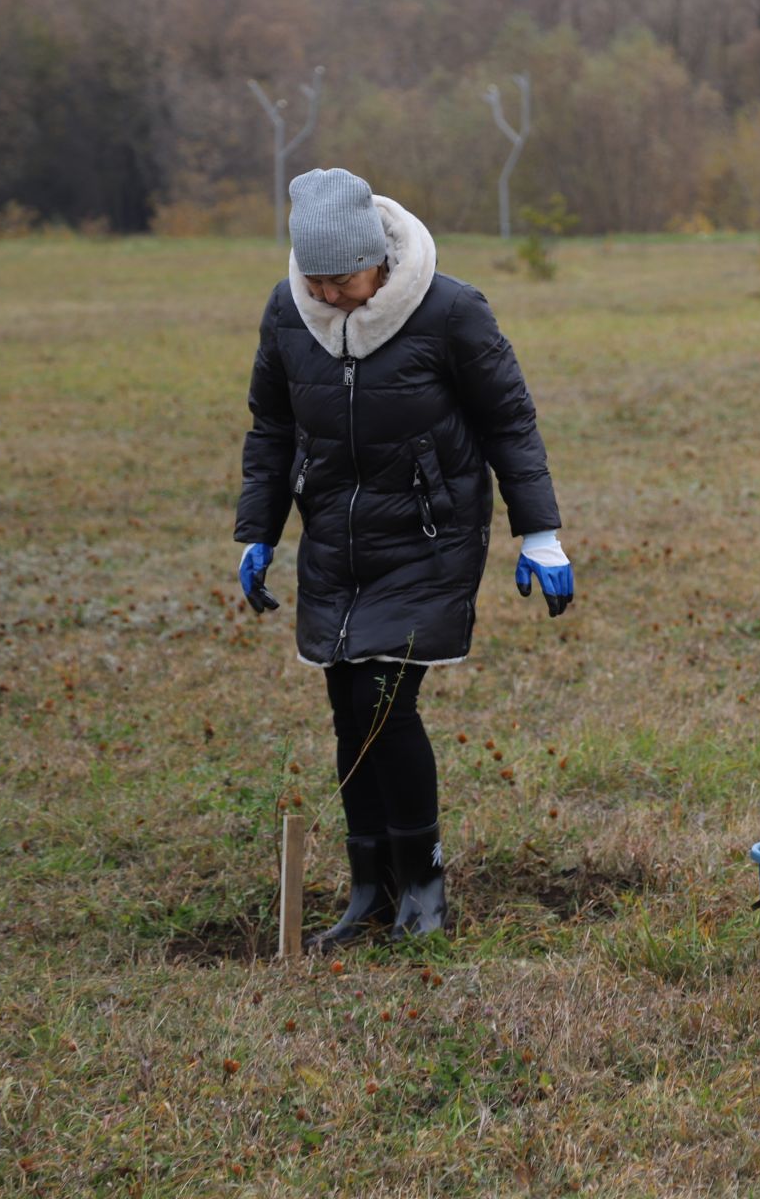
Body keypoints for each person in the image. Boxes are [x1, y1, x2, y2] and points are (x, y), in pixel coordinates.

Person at [234, 169, 574, 948]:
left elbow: (510, 425)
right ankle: (369, 890)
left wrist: (540, 532)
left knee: (386, 704)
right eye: (314, 279)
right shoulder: (289, 312)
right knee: (348, 713)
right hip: (336, 545)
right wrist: (259, 530)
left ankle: (422, 887)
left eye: (342, 279)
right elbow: (272, 430)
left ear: (378, 259)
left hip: (428, 538)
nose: (328, 295)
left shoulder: (450, 310)